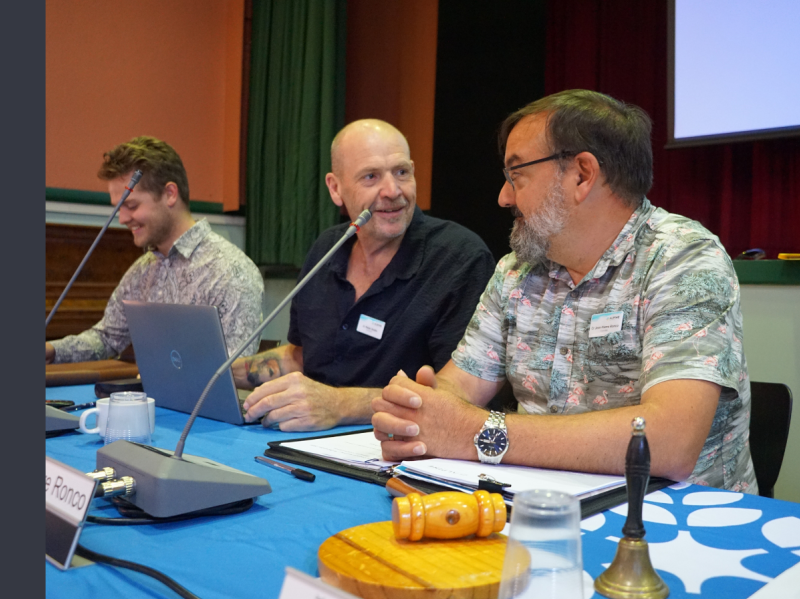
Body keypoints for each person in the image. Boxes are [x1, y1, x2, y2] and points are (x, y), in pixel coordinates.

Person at [372, 90, 757, 493]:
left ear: (581, 175)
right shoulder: (516, 271)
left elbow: (669, 442)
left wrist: (479, 433)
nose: (504, 197)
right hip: (540, 505)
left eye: (516, 174)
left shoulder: (684, 259)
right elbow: (459, 387)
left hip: (673, 516)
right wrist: (419, 411)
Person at [232, 119, 495, 432]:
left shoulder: (460, 258)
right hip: (303, 437)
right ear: (335, 188)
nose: (393, 191)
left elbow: (456, 393)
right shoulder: (327, 248)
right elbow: (302, 357)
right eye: (371, 176)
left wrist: (338, 405)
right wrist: (219, 373)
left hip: (395, 444)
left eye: (401, 172)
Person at [46, 136, 264, 363]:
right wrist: (53, 349)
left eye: (131, 205)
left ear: (170, 194)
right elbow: (107, 338)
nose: (122, 219)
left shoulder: (231, 272)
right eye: (118, 208)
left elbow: (235, 370)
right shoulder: (142, 271)